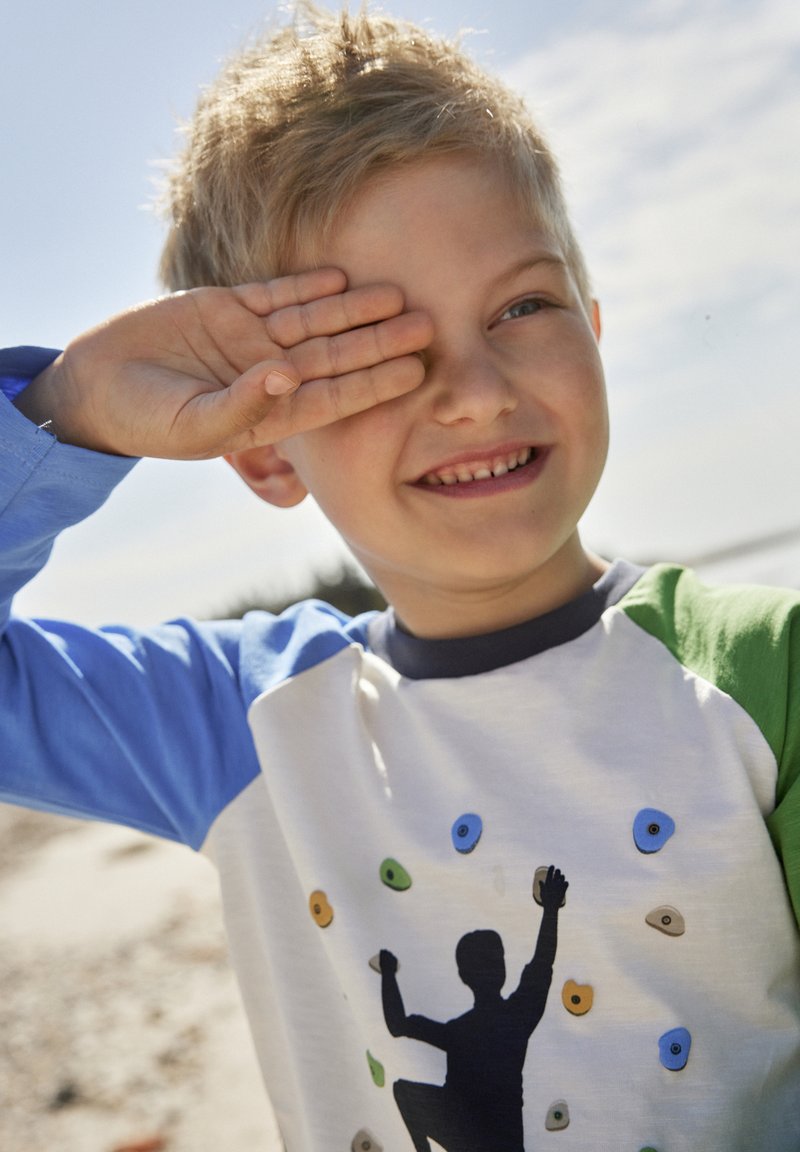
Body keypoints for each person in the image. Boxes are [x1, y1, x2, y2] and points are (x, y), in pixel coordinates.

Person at [1, 5, 798, 1150]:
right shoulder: (241, 727)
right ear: (264, 448)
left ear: (594, 321)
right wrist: (65, 414)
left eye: (522, 307)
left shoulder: (765, 670)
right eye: (376, 352)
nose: (472, 391)